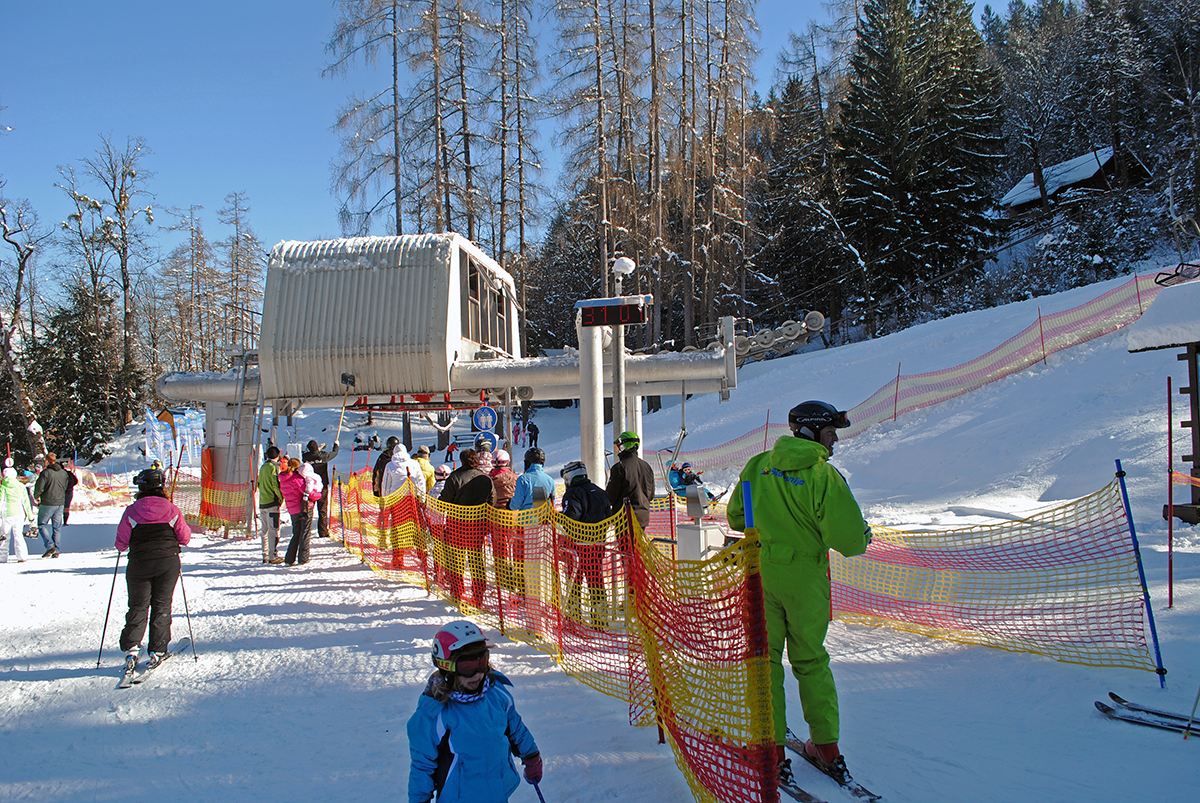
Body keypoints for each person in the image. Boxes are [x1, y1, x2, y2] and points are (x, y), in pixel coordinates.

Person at [725, 400, 871, 788]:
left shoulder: (760, 465)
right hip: (806, 578)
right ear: (810, 432)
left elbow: (737, 516)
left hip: (762, 573)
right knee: (810, 660)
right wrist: (862, 532)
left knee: (765, 662)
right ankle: (825, 745)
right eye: (830, 432)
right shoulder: (824, 476)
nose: (835, 440)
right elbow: (851, 541)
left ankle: (769, 749)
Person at [407, 620, 541, 803]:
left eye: (482, 663)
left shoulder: (496, 695)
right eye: (467, 668)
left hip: (497, 792)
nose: (477, 674)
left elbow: (515, 728)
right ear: (447, 667)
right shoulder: (434, 714)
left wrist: (531, 755)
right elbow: (422, 766)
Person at [116, 468, 192, 676]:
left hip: (139, 563)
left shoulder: (132, 510)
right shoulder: (172, 509)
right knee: (161, 604)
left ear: (141, 487)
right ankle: (158, 649)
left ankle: (132, 648)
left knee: (138, 605)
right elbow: (185, 537)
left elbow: (121, 543)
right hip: (167, 562)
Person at [560, 460, 612, 628]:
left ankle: (574, 617)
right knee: (596, 580)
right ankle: (600, 618)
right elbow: (608, 516)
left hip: (579, 546)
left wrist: (556, 518)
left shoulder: (573, 493)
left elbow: (571, 518)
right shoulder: (600, 492)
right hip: (598, 544)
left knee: (575, 581)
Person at [439, 450, 494, 605]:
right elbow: (492, 499)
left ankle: (457, 591)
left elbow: (444, 502)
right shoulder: (485, 478)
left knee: (456, 560)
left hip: (456, 525)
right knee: (476, 559)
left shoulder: (455, 477)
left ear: (462, 460)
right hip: (478, 525)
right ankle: (478, 594)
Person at [605, 431, 655, 531]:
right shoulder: (646, 466)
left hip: (624, 518)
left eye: (619, 446)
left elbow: (611, 495)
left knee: (626, 546)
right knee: (638, 545)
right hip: (642, 517)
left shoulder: (620, 468)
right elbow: (651, 494)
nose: (618, 450)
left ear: (624, 446)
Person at [280, 458, 321, 566]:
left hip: (292, 509)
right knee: (305, 532)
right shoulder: (298, 479)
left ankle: (289, 558)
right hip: (304, 508)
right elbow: (310, 493)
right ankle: (303, 557)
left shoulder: (283, 479)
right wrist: (319, 495)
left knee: (296, 533)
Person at [33, 451, 73, 558]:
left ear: (46, 461)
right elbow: (65, 486)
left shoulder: (45, 473)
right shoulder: (63, 473)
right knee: (57, 527)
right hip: (60, 502)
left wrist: (36, 496)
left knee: (42, 525)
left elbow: (39, 487)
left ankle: (50, 546)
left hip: (48, 502)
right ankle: (57, 549)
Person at [302, 439, 340, 541]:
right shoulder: (323, 455)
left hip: (310, 487)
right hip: (322, 486)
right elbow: (334, 453)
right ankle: (323, 531)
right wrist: (336, 445)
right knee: (322, 509)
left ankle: (306, 531)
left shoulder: (305, 457)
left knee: (309, 510)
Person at [257, 446, 285, 564]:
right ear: (278, 455)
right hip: (272, 502)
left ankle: (265, 554)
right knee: (274, 530)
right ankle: (273, 555)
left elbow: (259, 483)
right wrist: (281, 497)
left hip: (263, 501)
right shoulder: (274, 467)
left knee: (265, 530)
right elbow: (275, 484)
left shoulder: (263, 467)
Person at [1, 467, 34, 563]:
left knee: (4, 536)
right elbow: (26, 503)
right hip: (19, 514)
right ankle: (22, 556)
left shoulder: (2, 487)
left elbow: (0, 502)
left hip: (6, 514)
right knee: (18, 535)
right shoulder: (21, 487)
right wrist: (30, 516)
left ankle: (2, 557)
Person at [60, 457, 79, 525]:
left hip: (61, 492)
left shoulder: (59, 475)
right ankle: (65, 521)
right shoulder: (69, 473)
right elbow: (76, 481)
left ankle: (57, 521)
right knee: (66, 507)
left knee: (58, 507)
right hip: (69, 492)